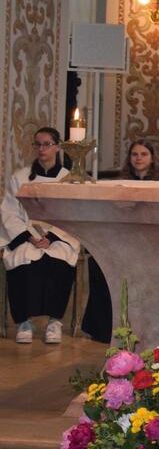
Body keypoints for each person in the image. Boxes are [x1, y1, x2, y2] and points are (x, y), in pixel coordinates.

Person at [0, 127, 81, 344]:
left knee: (59, 260)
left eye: (46, 144)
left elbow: (72, 214)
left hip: (57, 234)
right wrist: (28, 236)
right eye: (37, 144)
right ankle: (24, 322)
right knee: (24, 260)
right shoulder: (20, 177)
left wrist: (51, 238)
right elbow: (9, 211)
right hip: (26, 234)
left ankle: (54, 321)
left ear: (57, 147)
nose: (41, 149)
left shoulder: (69, 179)